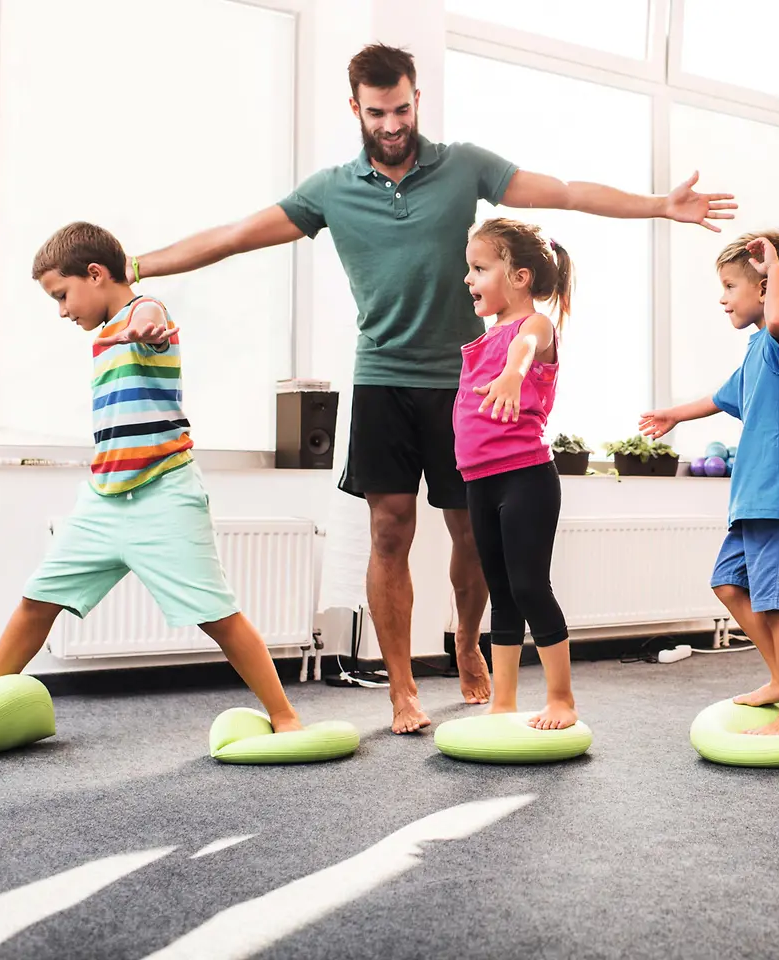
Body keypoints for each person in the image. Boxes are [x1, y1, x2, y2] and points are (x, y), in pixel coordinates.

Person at [126, 43, 736, 734]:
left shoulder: (464, 167)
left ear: (418, 101)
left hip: (466, 384)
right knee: (389, 529)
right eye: (379, 111)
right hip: (384, 379)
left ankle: (470, 644)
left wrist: (659, 205)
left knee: (472, 536)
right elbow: (235, 235)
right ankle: (402, 688)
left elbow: (564, 192)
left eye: (404, 108)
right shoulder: (330, 190)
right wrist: (136, 264)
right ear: (355, 108)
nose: (393, 124)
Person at [0, 222, 302, 733]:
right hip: (102, 499)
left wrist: (145, 317)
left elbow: (150, 309)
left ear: (95, 274)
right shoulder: (103, 340)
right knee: (36, 602)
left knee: (217, 615)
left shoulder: (146, 318)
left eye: (63, 295)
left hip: (165, 493)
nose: (62, 310)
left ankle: (285, 715)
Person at [638, 233, 779, 735]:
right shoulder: (755, 352)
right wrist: (673, 415)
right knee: (728, 584)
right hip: (755, 499)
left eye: (730, 286)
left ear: (767, 287)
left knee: (778, 607)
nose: (722, 297)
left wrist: (772, 268)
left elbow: (778, 317)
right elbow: (721, 397)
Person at [456, 218, 576, 729]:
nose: (469, 279)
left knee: (530, 587)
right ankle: (502, 700)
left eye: (480, 269)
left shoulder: (534, 327)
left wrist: (512, 371)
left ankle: (562, 699)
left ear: (520, 277)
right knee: (501, 592)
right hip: (479, 479)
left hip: (526, 477)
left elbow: (527, 347)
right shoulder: (490, 335)